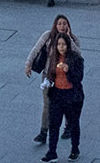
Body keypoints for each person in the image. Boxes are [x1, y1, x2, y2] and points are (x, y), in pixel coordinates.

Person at [26, 15, 81, 146]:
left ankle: (68, 127)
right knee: (47, 105)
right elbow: (36, 49)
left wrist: (69, 40)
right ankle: (43, 132)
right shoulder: (48, 36)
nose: (62, 26)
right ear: (55, 25)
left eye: (64, 23)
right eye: (59, 23)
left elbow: (78, 54)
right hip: (49, 76)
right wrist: (28, 63)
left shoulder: (73, 39)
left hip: (66, 77)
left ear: (68, 25)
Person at [33, 33, 84, 162]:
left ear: (68, 45)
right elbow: (51, 74)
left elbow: (78, 78)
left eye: (63, 44)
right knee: (54, 124)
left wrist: (69, 71)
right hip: (57, 94)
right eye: (59, 44)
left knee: (73, 124)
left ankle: (75, 149)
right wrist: (47, 82)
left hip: (71, 96)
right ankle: (52, 152)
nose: (61, 47)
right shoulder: (54, 58)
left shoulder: (76, 58)